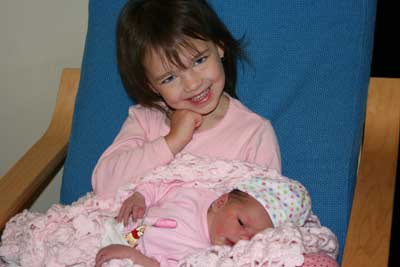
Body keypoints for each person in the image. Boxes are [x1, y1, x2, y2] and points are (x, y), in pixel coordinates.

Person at [91, 0, 282, 199]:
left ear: (219, 46)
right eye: (169, 78)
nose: (192, 85)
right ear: (151, 85)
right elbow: (103, 185)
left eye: (199, 60)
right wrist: (172, 142)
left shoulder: (253, 134)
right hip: (136, 231)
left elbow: (265, 214)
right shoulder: (146, 119)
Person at [95, 176, 337, 267]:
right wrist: (141, 196)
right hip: (120, 227)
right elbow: (162, 183)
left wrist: (135, 258)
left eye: (253, 238)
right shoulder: (197, 194)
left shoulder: (204, 254)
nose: (243, 237)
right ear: (221, 202)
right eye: (242, 223)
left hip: (133, 253)